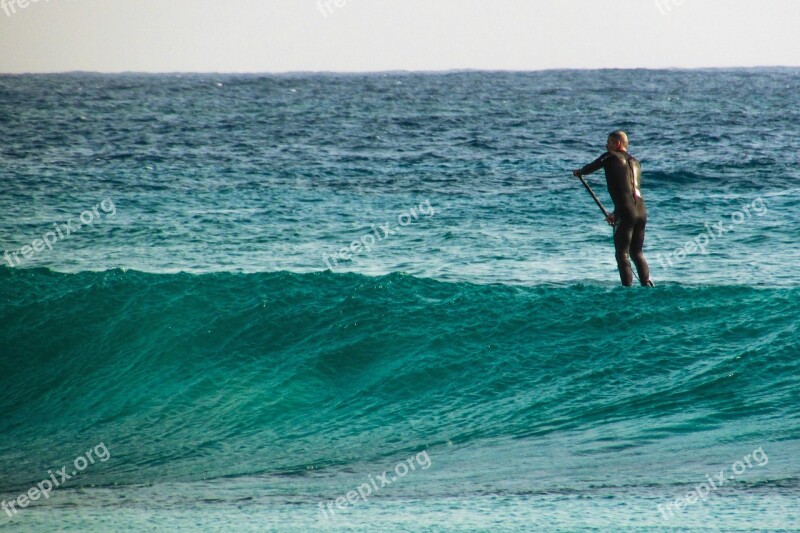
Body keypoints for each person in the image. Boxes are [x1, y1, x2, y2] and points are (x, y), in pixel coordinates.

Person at [572, 131, 654, 287]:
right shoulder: (636, 162)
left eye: (608, 142)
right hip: (641, 211)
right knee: (637, 253)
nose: (606, 146)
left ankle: (627, 292)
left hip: (626, 211)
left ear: (617, 143)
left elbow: (594, 165)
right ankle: (647, 285)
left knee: (622, 254)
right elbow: (628, 192)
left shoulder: (611, 156)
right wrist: (616, 214)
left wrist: (580, 172)